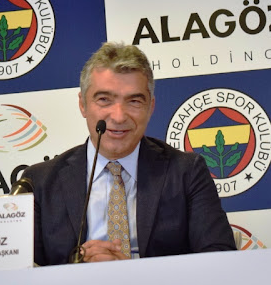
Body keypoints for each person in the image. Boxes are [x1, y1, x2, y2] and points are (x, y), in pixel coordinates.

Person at [21, 42, 236, 265]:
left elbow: (220, 257)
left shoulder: (186, 172)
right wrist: (78, 271)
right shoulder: (39, 182)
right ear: (83, 104)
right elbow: (19, 270)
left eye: (134, 101)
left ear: (151, 107)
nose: (119, 116)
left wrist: (135, 272)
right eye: (104, 100)